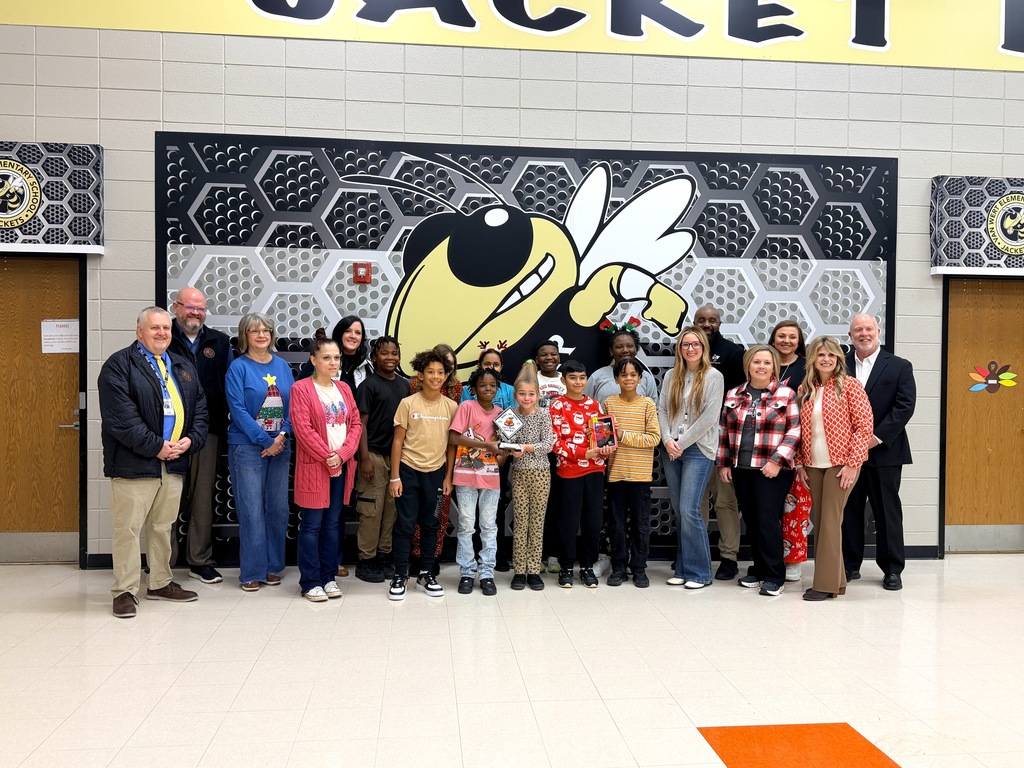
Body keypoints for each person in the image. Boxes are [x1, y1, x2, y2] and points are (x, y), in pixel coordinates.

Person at [99, 307, 208, 618]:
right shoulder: (119, 366)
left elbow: (200, 409)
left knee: (162, 527)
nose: (162, 333)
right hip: (135, 464)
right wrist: (157, 446)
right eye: (154, 328)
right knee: (128, 529)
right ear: (139, 332)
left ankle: (160, 582)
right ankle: (124, 591)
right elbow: (121, 420)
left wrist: (191, 440)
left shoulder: (182, 366)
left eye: (165, 328)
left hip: (173, 463)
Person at [716, 345, 801, 597]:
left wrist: (777, 460)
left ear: (773, 366)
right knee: (751, 521)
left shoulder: (786, 394)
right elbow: (723, 431)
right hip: (742, 468)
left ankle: (775, 575)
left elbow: (794, 431)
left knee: (767, 520)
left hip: (772, 470)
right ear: (748, 366)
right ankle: (759, 569)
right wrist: (723, 463)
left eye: (766, 362)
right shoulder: (734, 394)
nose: (761, 366)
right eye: (756, 362)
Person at [795, 336, 874, 601]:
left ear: (839, 359)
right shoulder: (805, 389)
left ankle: (824, 585)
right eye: (821, 355)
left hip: (841, 465)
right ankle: (837, 581)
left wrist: (854, 464)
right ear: (813, 360)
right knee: (822, 521)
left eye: (831, 355)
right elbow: (799, 430)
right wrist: (799, 465)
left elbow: (864, 427)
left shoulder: (850, 386)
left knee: (829, 522)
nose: (826, 359)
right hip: (813, 465)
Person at [843, 314, 917, 591]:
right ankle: (850, 565)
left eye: (869, 329)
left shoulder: (899, 366)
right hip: (846, 452)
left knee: (886, 511)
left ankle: (892, 569)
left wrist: (874, 439)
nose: (864, 334)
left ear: (878, 332)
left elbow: (904, 406)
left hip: (884, 451)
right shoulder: (841, 365)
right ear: (850, 335)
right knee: (849, 510)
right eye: (858, 330)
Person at [290, 329, 362, 602]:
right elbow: (303, 428)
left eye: (336, 358)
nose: (333, 363)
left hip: (340, 467)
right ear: (313, 360)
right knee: (311, 525)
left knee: (333, 524)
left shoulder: (343, 388)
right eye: (326, 358)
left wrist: (342, 455)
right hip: (315, 468)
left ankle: (329, 577)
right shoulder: (301, 389)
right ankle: (310, 581)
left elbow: (355, 423)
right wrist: (327, 456)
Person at [168, 286, 232, 584]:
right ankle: (161, 563)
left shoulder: (219, 342)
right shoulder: (162, 338)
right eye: (189, 307)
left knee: (202, 498)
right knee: (166, 498)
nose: (195, 313)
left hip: (209, 431)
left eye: (200, 309)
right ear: (176, 306)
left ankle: (199, 560)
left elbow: (229, 387)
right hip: (169, 433)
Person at [226, 312, 293, 593]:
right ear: (245, 336)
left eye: (266, 330)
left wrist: (282, 435)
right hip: (247, 447)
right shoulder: (238, 368)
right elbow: (237, 410)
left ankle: (273, 567)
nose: (262, 335)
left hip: (281, 445)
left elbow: (295, 404)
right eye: (255, 331)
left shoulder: (283, 366)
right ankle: (252, 571)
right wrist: (265, 441)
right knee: (252, 510)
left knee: (277, 508)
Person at [388, 348, 458, 600]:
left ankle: (426, 574)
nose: (436, 377)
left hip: (436, 474)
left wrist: (448, 476)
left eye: (441, 372)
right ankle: (400, 575)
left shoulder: (451, 406)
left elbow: (452, 444)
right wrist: (394, 476)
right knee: (405, 525)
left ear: (447, 376)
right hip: (408, 471)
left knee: (431, 524)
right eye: (430, 372)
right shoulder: (408, 403)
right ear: (421, 374)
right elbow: (397, 442)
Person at [658, 326, 724, 589]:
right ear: (680, 348)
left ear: (704, 348)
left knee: (690, 509)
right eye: (685, 344)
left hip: (698, 450)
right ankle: (684, 568)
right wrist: (667, 441)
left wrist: (681, 443)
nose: (690, 349)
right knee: (679, 511)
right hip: (672, 449)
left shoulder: (713, 376)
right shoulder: (671, 375)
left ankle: (700, 573)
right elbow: (662, 410)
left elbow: (709, 418)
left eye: (695, 344)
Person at [550, 359, 614, 588]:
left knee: (593, 521)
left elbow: (604, 439)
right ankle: (566, 567)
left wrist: (605, 449)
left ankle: (587, 566)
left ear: (587, 379)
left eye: (582, 377)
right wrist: (582, 453)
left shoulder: (596, 406)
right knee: (567, 521)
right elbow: (555, 442)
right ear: (563, 379)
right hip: (569, 471)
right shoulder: (557, 406)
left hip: (595, 471)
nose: (578, 382)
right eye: (573, 377)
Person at [695, 305, 745, 580]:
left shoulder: (733, 353)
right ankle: (696, 553)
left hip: (723, 440)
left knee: (725, 501)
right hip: (693, 442)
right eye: (701, 319)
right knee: (697, 501)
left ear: (719, 322)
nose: (706, 324)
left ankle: (729, 558)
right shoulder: (687, 350)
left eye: (712, 320)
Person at [603, 357, 661, 588]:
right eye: (623, 375)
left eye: (633, 375)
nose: (628, 378)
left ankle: (639, 568)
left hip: (640, 477)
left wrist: (623, 434)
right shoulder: (609, 403)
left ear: (640, 378)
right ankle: (618, 567)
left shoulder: (647, 404)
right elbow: (604, 438)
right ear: (616, 379)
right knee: (616, 524)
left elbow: (654, 439)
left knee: (640, 524)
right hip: (615, 476)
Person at [448, 367, 506, 596]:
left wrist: (505, 452)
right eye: (483, 385)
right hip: (465, 475)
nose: (488, 389)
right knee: (465, 524)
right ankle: (467, 572)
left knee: (489, 526)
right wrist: (486, 446)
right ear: (473, 389)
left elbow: (501, 453)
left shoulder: (502, 413)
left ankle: (487, 573)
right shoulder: (466, 407)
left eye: (492, 385)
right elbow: (453, 437)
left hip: (491, 476)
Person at [354, 336, 406, 583]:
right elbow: (360, 425)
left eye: (394, 353)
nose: (390, 358)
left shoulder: (405, 386)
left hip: (395, 458)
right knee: (371, 510)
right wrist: (364, 458)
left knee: (390, 510)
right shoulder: (368, 386)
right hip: (372, 455)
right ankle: (366, 559)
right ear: (374, 356)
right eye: (384, 353)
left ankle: (384, 555)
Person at [459, 346, 516, 570]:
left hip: (499, 459)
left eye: (495, 364)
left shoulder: (509, 390)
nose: (491, 368)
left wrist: (503, 455)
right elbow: (462, 429)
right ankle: (469, 561)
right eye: (487, 364)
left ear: (501, 369)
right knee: (467, 518)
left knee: (493, 512)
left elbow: (512, 425)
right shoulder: (467, 396)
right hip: (470, 461)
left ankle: (494, 559)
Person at [409, 342, 462, 573]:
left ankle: (433, 555)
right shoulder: (413, 385)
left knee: (438, 512)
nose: (441, 371)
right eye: (439, 363)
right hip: (415, 457)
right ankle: (415, 555)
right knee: (414, 512)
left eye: (448, 364)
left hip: (442, 457)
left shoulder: (457, 388)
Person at [768, 318, 810, 583]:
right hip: (767, 448)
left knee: (796, 504)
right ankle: (770, 558)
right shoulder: (764, 363)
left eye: (792, 337)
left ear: (799, 341)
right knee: (770, 507)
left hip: (799, 444)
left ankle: (793, 560)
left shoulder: (807, 367)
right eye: (781, 336)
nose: (786, 341)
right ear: (773, 338)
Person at [507, 361, 554, 591]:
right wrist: (510, 448)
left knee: (537, 522)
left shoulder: (544, 415)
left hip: (541, 473)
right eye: (522, 394)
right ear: (515, 395)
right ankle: (519, 571)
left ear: (538, 395)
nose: (527, 398)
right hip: (519, 474)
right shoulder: (511, 416)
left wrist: (525, 448)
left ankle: (534, 570)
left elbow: (548, 444)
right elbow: (506, 442)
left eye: (531, 394)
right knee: (521, 521)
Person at [584, 322, 659, 407]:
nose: (625, 350)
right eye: (619, 347)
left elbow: (654, 409)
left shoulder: (646, 377)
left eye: (630, 346)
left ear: (636, 349)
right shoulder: (597, 376)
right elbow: (585, 405)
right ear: (611, 351)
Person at [535, 339, 566, 409]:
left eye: (553, 354)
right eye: (543, 355)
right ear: (536, 360)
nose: (549, 357)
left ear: (559, 358)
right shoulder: (532, 378)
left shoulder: (567, 379)